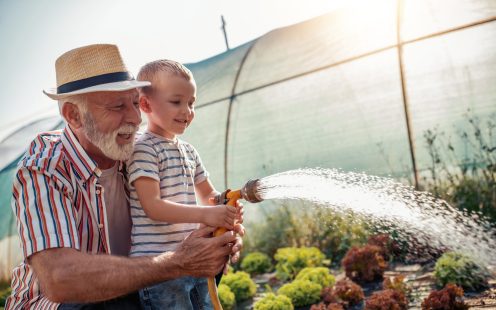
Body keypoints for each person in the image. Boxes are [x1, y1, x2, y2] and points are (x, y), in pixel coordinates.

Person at [5, 44, 244, 310]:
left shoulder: (136, 152)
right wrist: (178, 261)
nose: (134, 117)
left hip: (135, 283)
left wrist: (220, 232)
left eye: (134, 102)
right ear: (74, 115)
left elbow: (189, 217)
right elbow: (61, 280)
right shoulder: (45, 168)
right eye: (118, 106)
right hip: (57, 303)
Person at [126, 59, 237, 309]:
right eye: (176, 102)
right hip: (160, 269)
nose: (187, 111)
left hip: (195, 258)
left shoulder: (189, 151)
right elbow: (153, 206)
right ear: (145, 104)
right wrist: (210, 213)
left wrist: (225, 205)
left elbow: (209, 195)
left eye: (191, 103)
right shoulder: (144, 148)